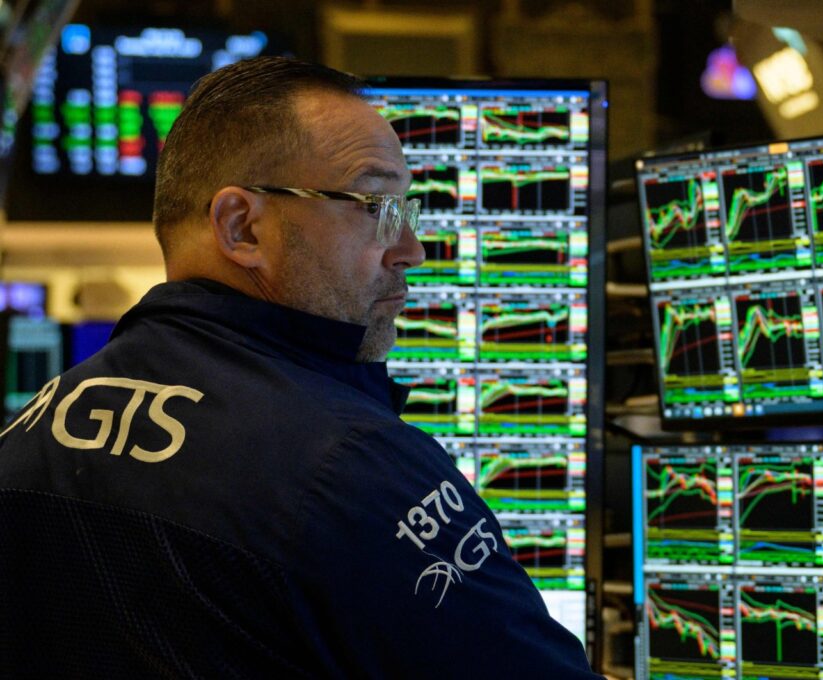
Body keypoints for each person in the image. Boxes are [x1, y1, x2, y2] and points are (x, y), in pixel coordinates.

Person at [0, 56, 600, 678]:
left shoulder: (28, 434)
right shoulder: (352, 467)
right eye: (373, 205)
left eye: (408, 212)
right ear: (241, 227)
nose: (410, 250)